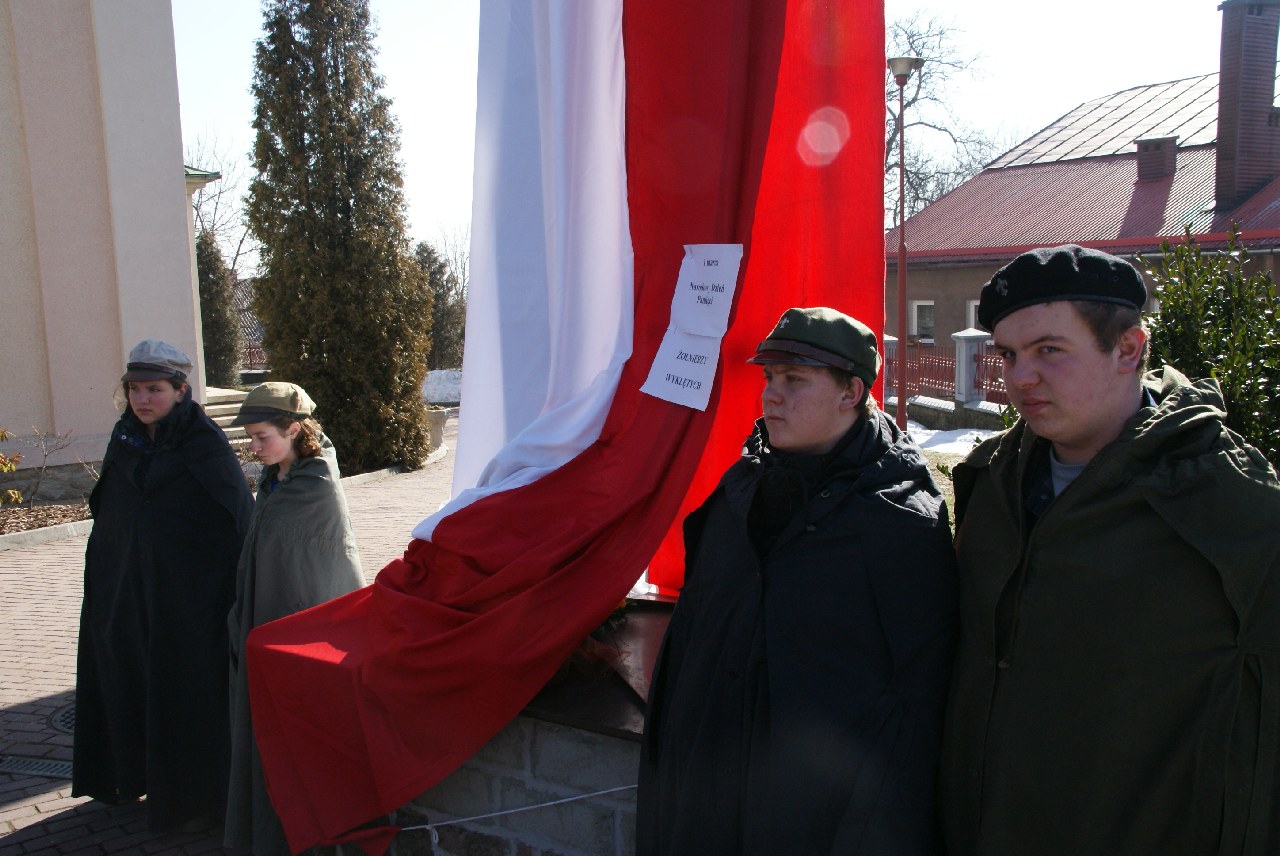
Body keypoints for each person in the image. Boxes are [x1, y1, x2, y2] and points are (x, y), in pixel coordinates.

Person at [939, 244, 1280, 855]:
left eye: (1049, 350)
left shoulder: (1227, 498)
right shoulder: (990, 483)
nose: (1020, 378)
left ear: (1128, 349)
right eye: (1009, 354)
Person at [637, 307, 958, 856]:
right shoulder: (738, 495)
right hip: (707, 799)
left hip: (819, 820)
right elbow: (690, 649)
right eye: (768, 378)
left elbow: (917, 709)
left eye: (794, 381)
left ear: (850, 392)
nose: (770, 396)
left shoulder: (900, 523)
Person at [74, 339, 252, 830]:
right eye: (135, 389)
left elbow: (234, 522)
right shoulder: (124, 437)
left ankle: (192, 799)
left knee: (184, 689)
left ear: (180, 390)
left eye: (154, 389)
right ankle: (123, 776)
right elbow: (111, 513)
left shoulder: (204, 443)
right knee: (124, 675)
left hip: (187, 600)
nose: (143, 399)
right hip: (124, 591)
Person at [223, 382, 364, 855]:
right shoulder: (274, 481)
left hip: (296, 629)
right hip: (262, 623)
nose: (254, 447)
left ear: (295, 429)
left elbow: (319, 572)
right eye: (250, 438)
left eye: (263, 437)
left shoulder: (316, 488)